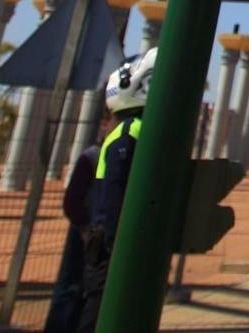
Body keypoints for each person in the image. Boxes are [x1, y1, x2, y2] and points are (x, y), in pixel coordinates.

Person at [73, 50, 153, 333]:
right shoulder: (131, 133)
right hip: (111, 244)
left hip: (110, 241)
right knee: (99, 312)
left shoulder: (126, 132)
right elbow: (116, 196)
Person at [43, 112, 109, 333]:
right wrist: (83, 228)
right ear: (104, 124)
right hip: (85, 231)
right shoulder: (92, 157)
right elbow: (72, 201)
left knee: (92, 290)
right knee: (71, 287)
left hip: (102, 233)